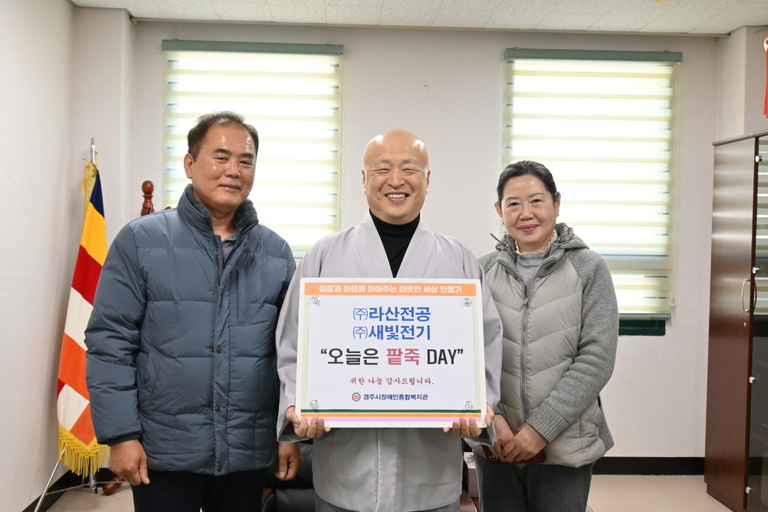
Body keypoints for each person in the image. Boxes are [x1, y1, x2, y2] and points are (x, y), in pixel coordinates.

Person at [275, 129, 503, 512]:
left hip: (430, 476)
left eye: (409, 169)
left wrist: (479, 405)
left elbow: (487, 345)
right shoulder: (324, 256)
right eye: (382, 168)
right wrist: (297, 405)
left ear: (428, 180)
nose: (396, 180)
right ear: (364, 180)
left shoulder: (459, 261)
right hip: (346, 475)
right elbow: (292, 346)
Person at [85, 112, 302, 512]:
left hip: (246, 450)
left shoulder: (275, 252)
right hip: (162, 450)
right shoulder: (141, 241)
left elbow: (292, 353)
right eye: (220, 157)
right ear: (189, 164)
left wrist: (288, 433)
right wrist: (120, 435)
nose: (233, 171)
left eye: (246, 160)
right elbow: (109, 342)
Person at [475, 160, 618, 512]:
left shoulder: (589, 268)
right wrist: (494, 421)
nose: (526, 213)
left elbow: (596, 358)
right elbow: (467, 354)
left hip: (565, 445)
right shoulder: (480, 271)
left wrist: (540, 429)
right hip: (499, 444)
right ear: (499, 210)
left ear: (556, 203)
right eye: (513, 203)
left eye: (537, 201)